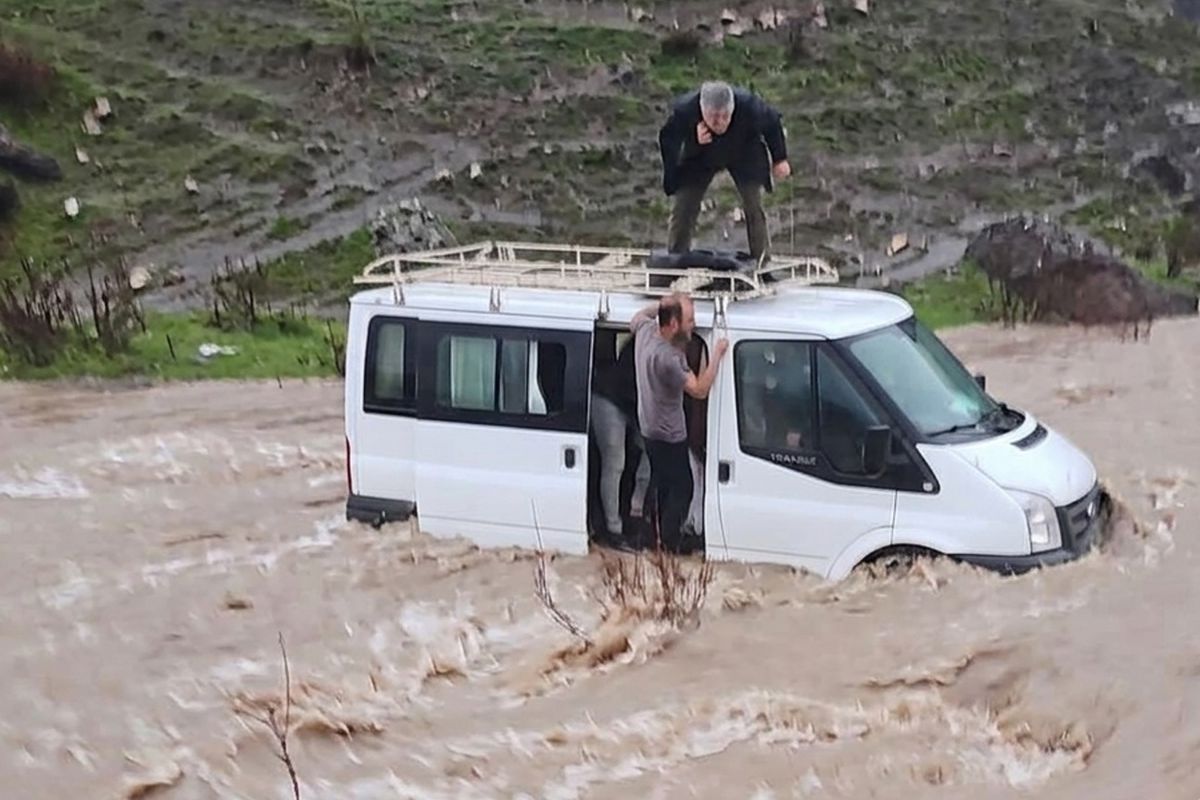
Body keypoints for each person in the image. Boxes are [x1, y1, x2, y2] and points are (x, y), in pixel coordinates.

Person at [631, 293, 728, 553]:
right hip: (669, 434)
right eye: (690, 320)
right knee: (683, 488)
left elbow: (638, 316)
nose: (693, 325)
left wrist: (664, 306)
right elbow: (699, 390)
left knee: (660, 482)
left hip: (648, 428)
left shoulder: (644, 331)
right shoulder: (669, 358)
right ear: (673, 324)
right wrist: (717, 354)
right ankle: (669, 544)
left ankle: (654, 536)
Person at [658, 80, 791, 265]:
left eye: (725, 116)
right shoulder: (685, 110)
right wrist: (692, 138)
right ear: (702, 110)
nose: (720, 122)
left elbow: (773, 123)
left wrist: (780, 158)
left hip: (744, 151)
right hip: (700, 155)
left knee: (754, 204)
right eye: (713, 117)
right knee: (684, 204)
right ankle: (676, 258)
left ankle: (762, 261)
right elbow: (668, 142)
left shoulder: (749, 105)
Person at [590, 333, 651, 543]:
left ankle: (636, 510)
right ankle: (612, 528)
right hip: (608, 397)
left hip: (632, 403)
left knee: (650, 453)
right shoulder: (649, 344)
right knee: (615, 462)